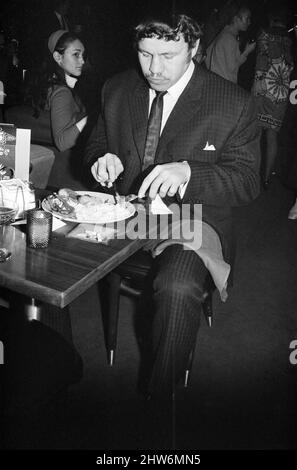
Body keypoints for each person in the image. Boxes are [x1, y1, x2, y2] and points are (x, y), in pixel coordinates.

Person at [84, 13, 260, 396]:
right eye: (146, 54)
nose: (154, 69)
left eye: (168, 55)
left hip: (192, 217)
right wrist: (100, 159)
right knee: (45, 250)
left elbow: (248, 183)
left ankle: (159, 405)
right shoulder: (116, 88)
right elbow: (95, 144)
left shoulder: (233, 103)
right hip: (124, 212)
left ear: (194, 49)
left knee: (178, 286)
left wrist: (191, 172)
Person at [252, 4, 294, 187]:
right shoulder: (290, 39)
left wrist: (256, 83)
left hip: (263, 88)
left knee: (253, 133)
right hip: (281, 93)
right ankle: (266, 178)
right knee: (272, 135)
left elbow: (261, 60)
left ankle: (250, 173)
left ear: (271, 18)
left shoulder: (265, 34)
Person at [205, 2, 256, 83]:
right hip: (224, 85)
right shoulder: (229, 38)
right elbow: (232, 67)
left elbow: (207, 56)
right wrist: (247, 52)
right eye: (247, 18)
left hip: (215, 82)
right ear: (236, 18)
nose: (249, 22)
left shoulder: (224, 33)